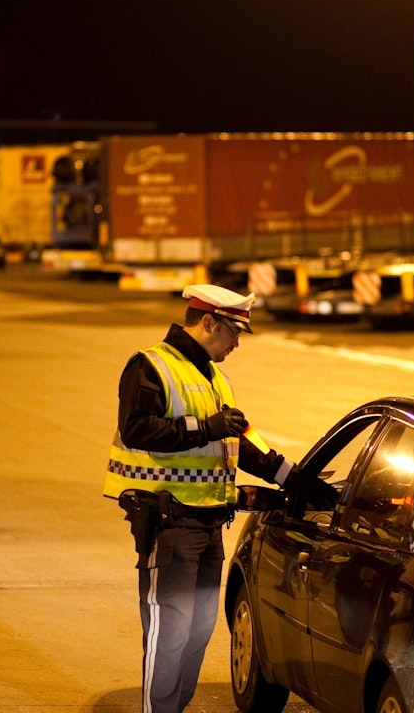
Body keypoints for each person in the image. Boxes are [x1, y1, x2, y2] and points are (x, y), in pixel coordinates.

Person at [106, 283, 337, 713]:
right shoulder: (150, 366)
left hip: (211, 524)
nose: (235, 344)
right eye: (233, 333)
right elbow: (138, 428)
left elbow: (246, 445)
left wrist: (296, 479)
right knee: (169, 628)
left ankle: (175, 706)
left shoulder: (216, 378)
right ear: (209, 322)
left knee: (198, 630)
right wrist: (206, 428)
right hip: (169, 523)